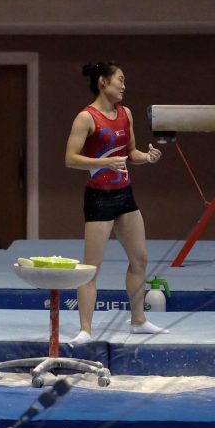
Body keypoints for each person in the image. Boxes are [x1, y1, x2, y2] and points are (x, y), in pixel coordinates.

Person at [64, 61, 169, 345]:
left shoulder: (126, 114)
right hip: (99, 198)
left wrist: (146, 158)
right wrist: (104, 162)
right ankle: (86, 329)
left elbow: (131, 152)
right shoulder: (86, 118)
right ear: (103, 82)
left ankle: (138, 320)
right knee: (91, 267)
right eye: (120, 80)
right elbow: (70, 158)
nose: (124, 86)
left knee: (141, 258)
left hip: (124, 195)